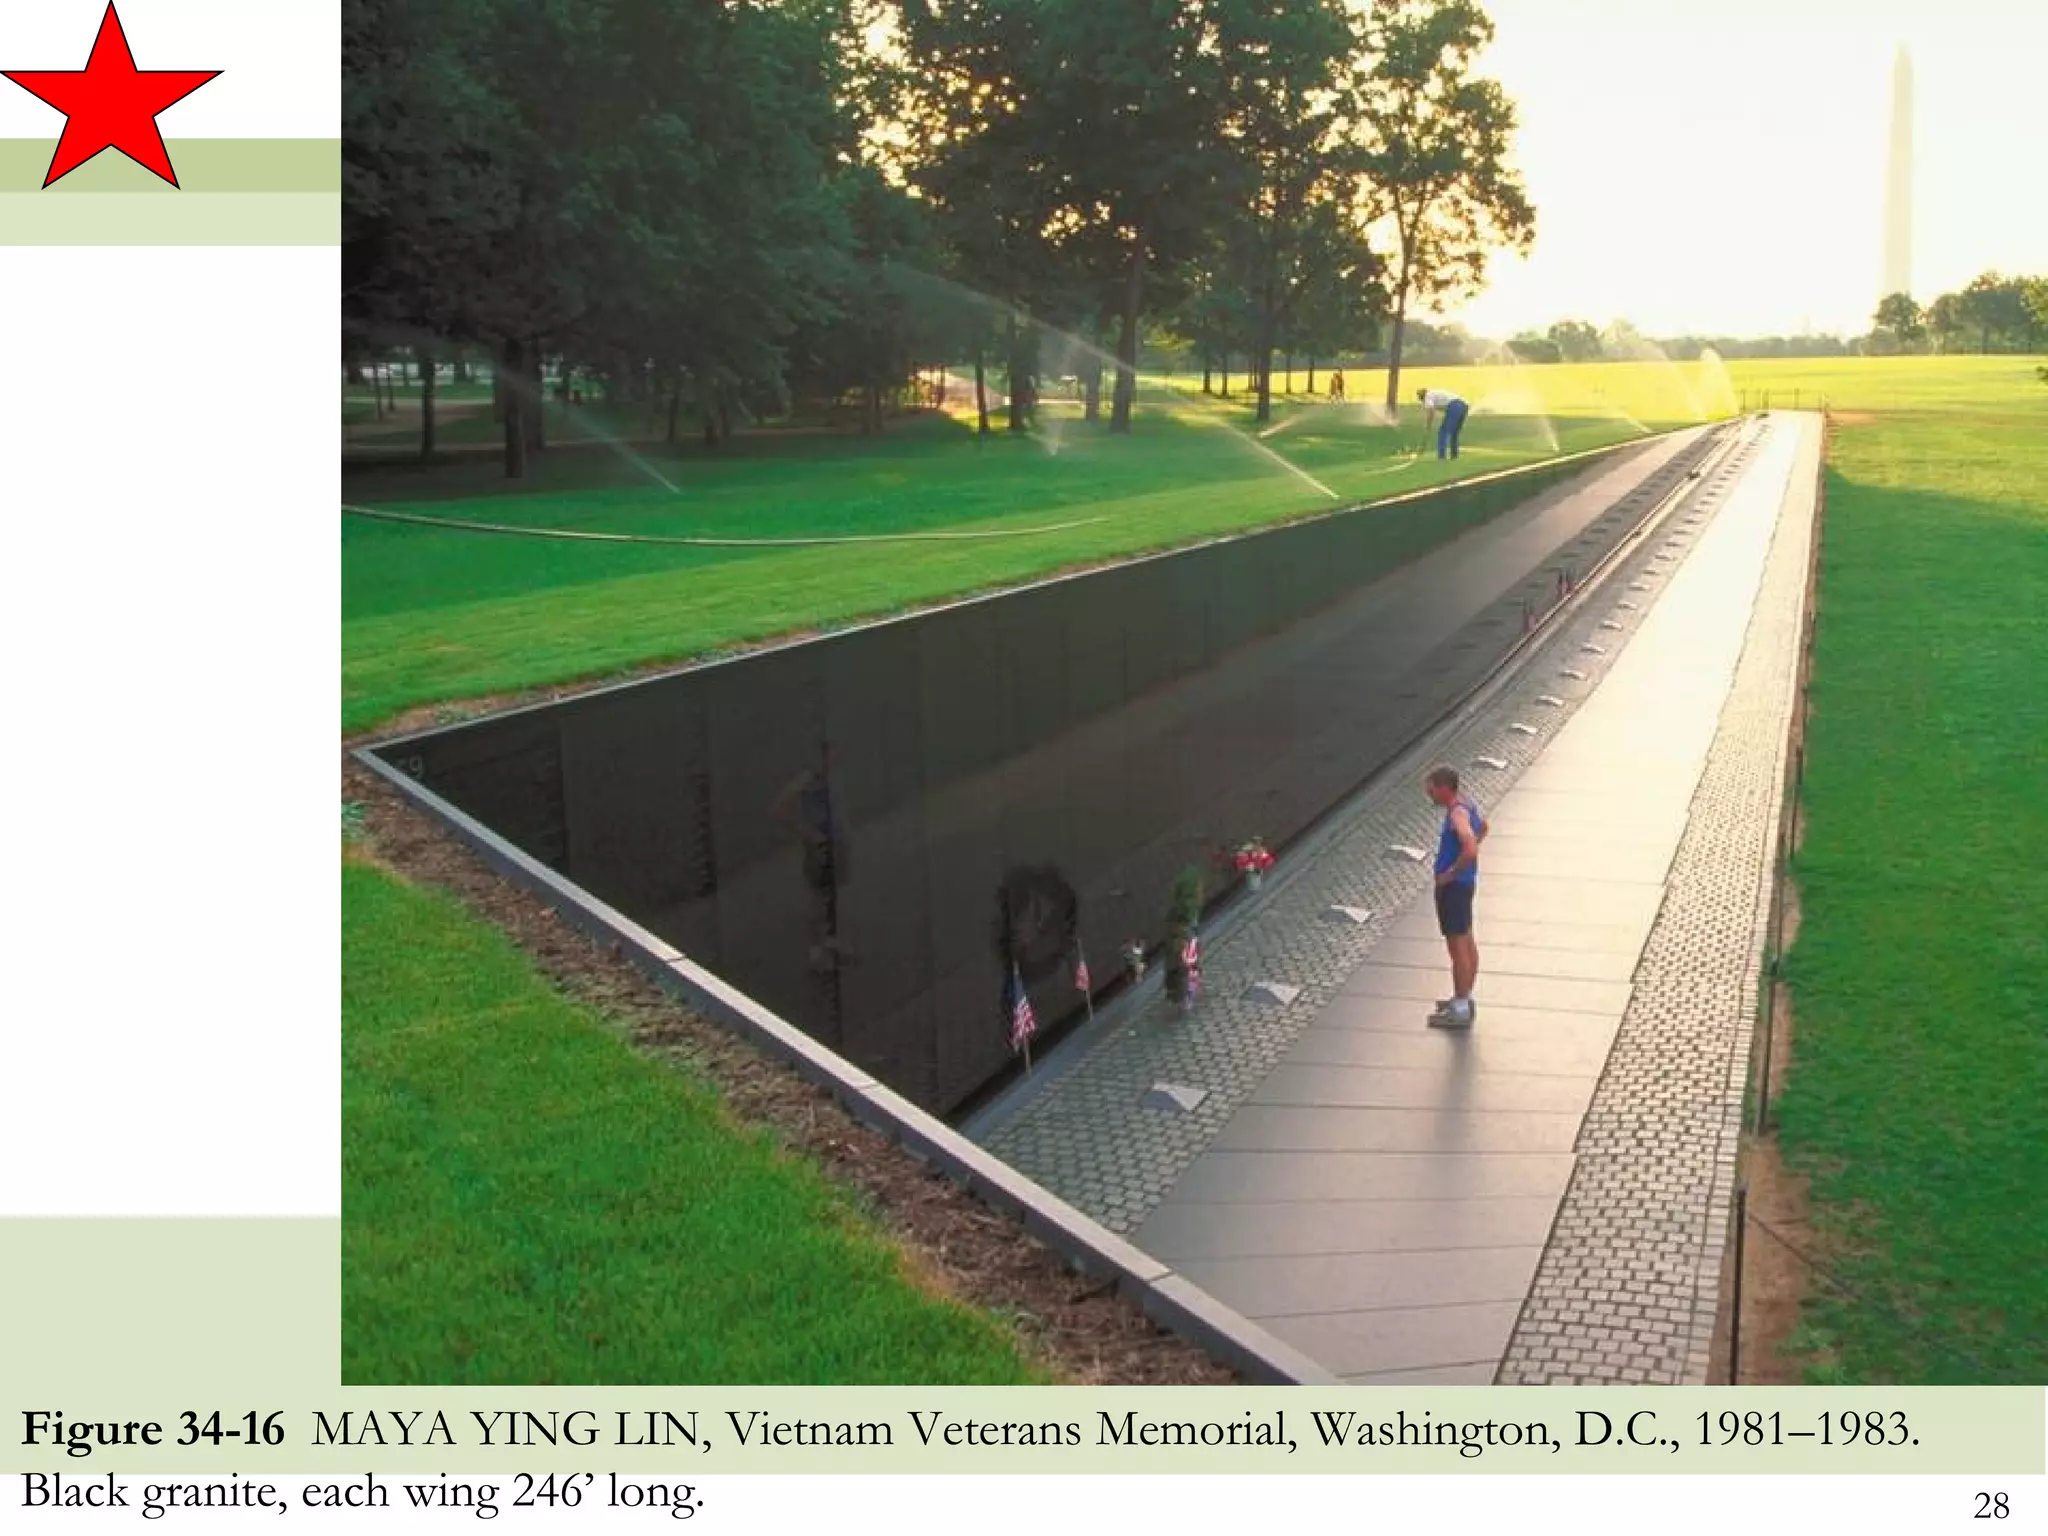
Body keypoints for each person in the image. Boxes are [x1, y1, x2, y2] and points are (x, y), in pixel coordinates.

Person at [1424, 765, 1487, 1027]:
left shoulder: (1457, 814)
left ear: (1443, 788)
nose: (1428, 794)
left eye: (1431, 789)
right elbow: (1483, 827)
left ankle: (1460, 1006)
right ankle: (1464, 996)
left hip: (1454, 889)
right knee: (1467, 940)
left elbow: (1470, 846)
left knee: (1457, 947)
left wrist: (1450, 873)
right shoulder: (1467, 803)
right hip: (1465, 885)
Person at [1417, 385, 1470, 459]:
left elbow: (1431, 411)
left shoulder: (1427, 397)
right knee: (1454, 433)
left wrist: (1428, 425)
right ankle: (1454, 456)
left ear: (1421, 397)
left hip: (1454, 406)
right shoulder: (1433, 393)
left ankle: (1441, 457)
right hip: (1464, 406)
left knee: (1443, 432)